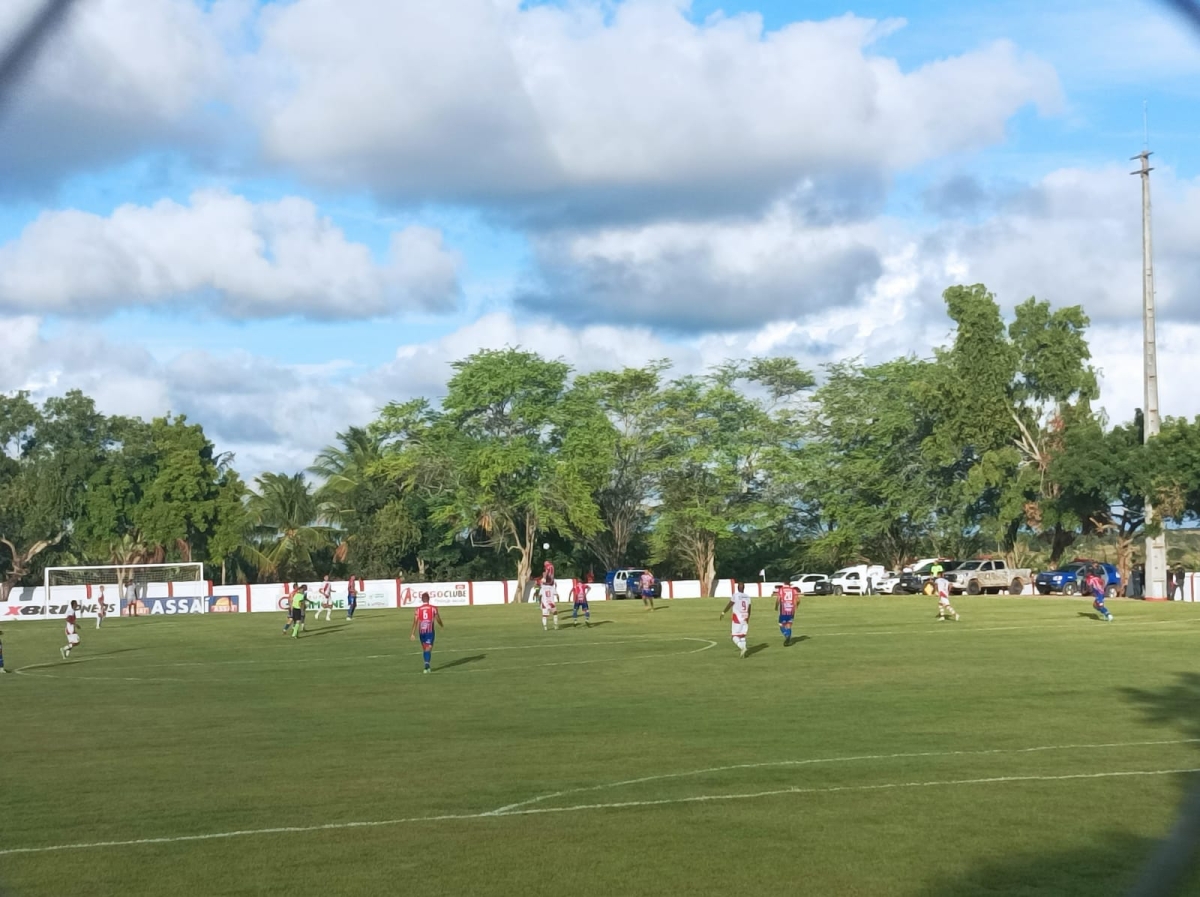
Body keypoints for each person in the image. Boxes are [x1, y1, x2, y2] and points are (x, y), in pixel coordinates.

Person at [410, 592, 443, 674]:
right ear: (429, 599)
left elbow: (415, 622)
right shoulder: (433, 608)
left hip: (421, 632)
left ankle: (427, 666)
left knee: (425, 649)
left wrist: (412, 633)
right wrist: (441, 625)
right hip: (429, 632)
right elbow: (437, 618)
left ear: (422, 599)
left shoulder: (418, 609)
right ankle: (426, 666)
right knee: (428, 648)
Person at [721, 583, 752, 658]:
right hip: (745, 617)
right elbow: (749, 608)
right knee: (742, 635)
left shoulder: (735, 595)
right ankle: (744, 652)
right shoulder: (748, 597)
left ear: (737, 588)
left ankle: (742, 648)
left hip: (737, 619)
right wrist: (748, 617)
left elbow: (730, 604)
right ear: (744, 588)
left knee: (734, 636)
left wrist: (723, 612)